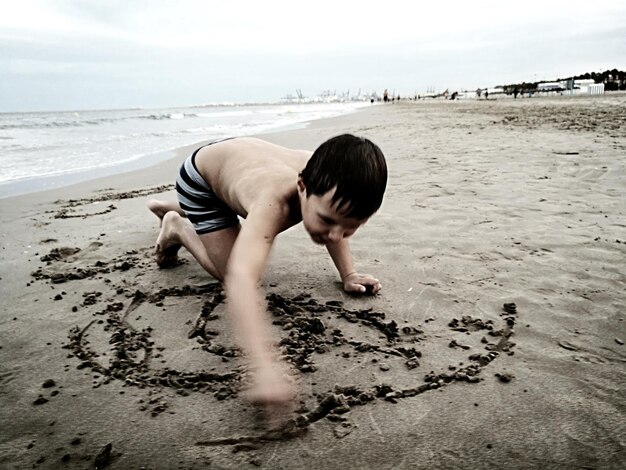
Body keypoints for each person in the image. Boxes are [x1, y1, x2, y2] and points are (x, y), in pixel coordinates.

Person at [147, 134, 387, 422]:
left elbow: (336, 216)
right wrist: (263, 365)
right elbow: (241, 277)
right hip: (200, 180)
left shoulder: (326, 178)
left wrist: (348, 273)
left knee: (241, 202)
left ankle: (173, 207)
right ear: (302, 187)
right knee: (228, 268)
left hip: (233, 164)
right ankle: (178, 226)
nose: (335, 235)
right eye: (325, 221)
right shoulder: (274, 204)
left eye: (350, 228)